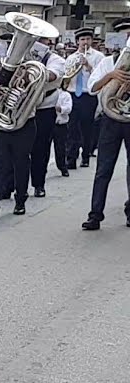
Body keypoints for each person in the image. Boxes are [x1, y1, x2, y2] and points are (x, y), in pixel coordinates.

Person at [0, 32, 51, 220]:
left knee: (21, 163)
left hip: (23, 123)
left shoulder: (34, 72)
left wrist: (22, 95)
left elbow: (39, 100)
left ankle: (20, 201)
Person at [81, 18, 130, 231]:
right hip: (110, 119)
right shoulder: (108, 62)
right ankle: (95, 214)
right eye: (125, 35)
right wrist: (111, 76)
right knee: (103, 168)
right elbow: (92, 87)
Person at [29, 39, 69, 199]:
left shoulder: (56, 60)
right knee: (16, 149)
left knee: (40, 148)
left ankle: (39, 184)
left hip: (44, 109)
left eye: (42, 39)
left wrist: (29, 68)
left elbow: (51, 76)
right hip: (21, 107)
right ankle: (10, 185)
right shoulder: (23, 56)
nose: (38, 42)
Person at [67, 28, 99, 169]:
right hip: (73, 94)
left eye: (88, 39)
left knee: (87, 127)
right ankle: (71, 158)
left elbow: (100, 76)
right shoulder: (71, 57)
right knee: (72, 128)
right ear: (77, 42)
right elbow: (67, 75)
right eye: (82, 39)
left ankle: (85, 155)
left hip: (88, 95)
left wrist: (87, 65)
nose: (85, 42)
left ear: (91, 40)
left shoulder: (98, 57)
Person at [53, 86, 72, 178]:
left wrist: (59, 108)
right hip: (49, 123)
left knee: (61, 148)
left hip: (61, 124)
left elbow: (68, 108)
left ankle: (63, 167)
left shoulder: (65, 95)